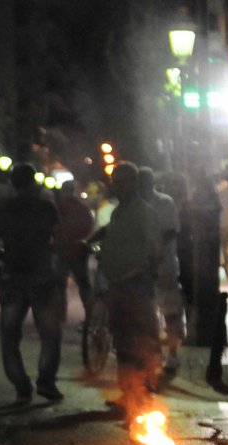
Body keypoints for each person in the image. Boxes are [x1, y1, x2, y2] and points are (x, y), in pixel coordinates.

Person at [0, 163, 65, 404]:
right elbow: (59, 240)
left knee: (10, 336)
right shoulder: (47, 208)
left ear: (13, 183)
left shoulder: (3, 209)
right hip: (42, 275)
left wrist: (6, 255)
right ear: (34, 183)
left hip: (12, 276)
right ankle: (46, 381)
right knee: (50, 333)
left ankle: (22, 387)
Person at [97, 162, 162, 418]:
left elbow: (155, 249)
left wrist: (144, 275)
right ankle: (128, 394)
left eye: (123, 181)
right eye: (115, 181)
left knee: (140, 340)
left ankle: (142, 396)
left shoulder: (144, 212)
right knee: (123, 342)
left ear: (134, 183)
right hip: (118, 285)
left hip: (136, 285)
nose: (118, 186)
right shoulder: (118, 213)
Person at [139, 167, 185, 374]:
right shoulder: (136, 205)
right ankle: (154, 353)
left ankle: (172, 354)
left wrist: (153, 250)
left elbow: (169, 233)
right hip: (143, 267)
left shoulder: (165, 203)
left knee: (170, 311)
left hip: (163, 266)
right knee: (150, 312)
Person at [54, 180, 95, 320]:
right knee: (84, 284)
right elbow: (89, 227)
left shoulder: (60, 208)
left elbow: (55, 228)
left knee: (60, 285)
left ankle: (60, 314)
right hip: (79, 250)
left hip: (62, 250)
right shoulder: (83, 208)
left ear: (63, 191)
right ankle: (90, 315)